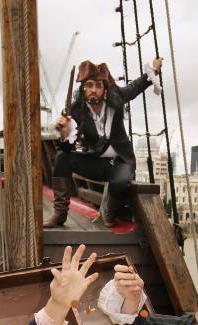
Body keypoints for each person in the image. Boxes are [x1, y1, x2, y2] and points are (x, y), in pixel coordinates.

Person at [43, 57, 163, 229]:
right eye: (89, 85)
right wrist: (64, 134)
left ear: (105, 89)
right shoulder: (77, 110)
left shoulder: (117, 98)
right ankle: (60, 214)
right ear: (83, 89)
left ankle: (109, 213)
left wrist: (154, 70)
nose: (94, 90)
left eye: (98, 86)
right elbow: (68, 147)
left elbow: (135, 87)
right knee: (62, 157)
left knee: (120, 182)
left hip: (120, 161)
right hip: (97, 162)